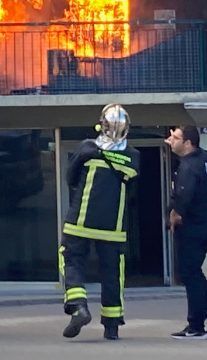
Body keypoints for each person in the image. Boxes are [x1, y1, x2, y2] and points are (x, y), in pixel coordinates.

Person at [59, 103, 141, 341]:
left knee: (72, 261)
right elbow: (132, 188)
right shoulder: (133, 156)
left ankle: (78, 307)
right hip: (112, 227)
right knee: (113, 273)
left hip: (79, 221)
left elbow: (70, 178)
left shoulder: (86, 148)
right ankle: (112, 326)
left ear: (102, 124)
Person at [164, 124, 207, 340]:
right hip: (206, 224)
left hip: (192, 227)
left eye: (175, 137)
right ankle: (197, 323)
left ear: (188, 143)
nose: (170, 140)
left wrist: (175, 214)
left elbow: (184, 193)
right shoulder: (204, 158)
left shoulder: (188, 166)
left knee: (190, 273)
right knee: (192, 272)